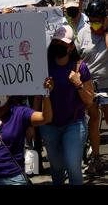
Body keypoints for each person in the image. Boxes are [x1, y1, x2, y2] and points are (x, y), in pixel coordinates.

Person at [40, 25, 94, 184]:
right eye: (56, 42)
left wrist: (78, 84)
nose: (59, 46)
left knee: (72, 166)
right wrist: (33, 123)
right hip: (49, 125)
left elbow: (89, 100)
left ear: (71, 47)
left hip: (74, 124)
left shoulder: (80, 67)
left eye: (63, 44)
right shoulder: (45, 66)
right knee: (56, 169)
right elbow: (38, 97)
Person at [76, 0, 108, 175]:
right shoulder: (83, 33)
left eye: (98, 20)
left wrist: (106, 31)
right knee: (93, 119)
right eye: (92, 20)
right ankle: (96, 157)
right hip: (89, 84)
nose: (95, 24)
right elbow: (78, 56)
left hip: (107, 83)